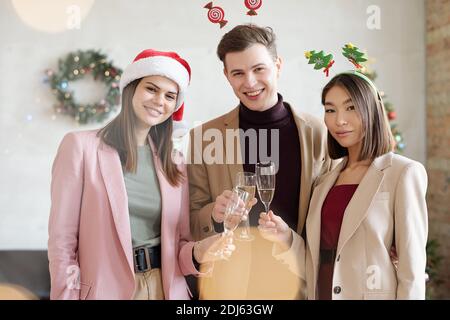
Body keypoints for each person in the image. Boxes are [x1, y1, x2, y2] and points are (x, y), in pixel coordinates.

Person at [48, 49, 235, 300]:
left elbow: (179, 243)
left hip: (165, 290)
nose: (160, 100)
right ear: (131, 89)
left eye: (170, 96)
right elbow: (62, 242)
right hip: (105, 292)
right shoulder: (80, 147)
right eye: (151, 89)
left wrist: (201, 251)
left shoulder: (174, 161)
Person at [187, 24, 334, 299]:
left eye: (259, 69)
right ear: (226, 76)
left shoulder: (318, 133)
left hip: (297, 284)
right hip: (228, 289)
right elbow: (190, 221)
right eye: (238, 73)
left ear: (278, 65)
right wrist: (214, 215)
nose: (250, 83)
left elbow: (334, 213)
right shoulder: (204, 137)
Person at [258, 71, 428, 299]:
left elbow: (412, 270)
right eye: (330, 110)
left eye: (351, 107)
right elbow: (315, 262)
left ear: (372, 111)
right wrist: (286, 238)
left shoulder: (402, 173)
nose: (339, 120)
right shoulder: (325, 182)